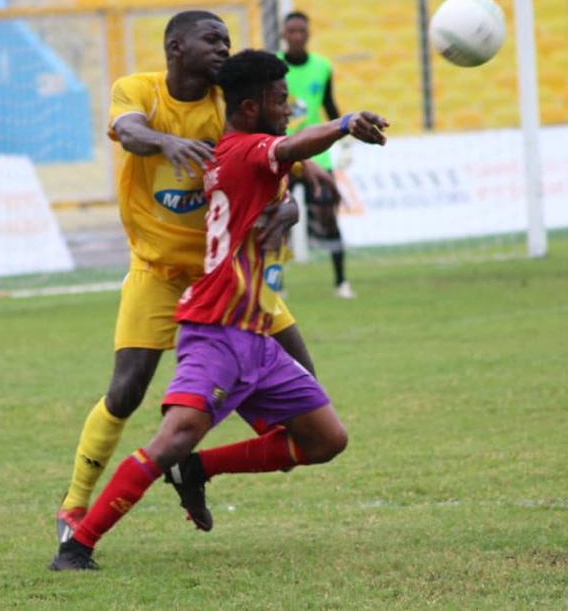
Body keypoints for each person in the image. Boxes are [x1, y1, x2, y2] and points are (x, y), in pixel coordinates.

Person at [49, 49, 389, 571]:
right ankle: (78, 543)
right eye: (281, 101)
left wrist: (295, 198)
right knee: (172, 435)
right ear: (251, 108)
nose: (290, 107)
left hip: (255, 328)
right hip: (217, 328)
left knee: (325, 439)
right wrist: (342, 124)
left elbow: (281, 165)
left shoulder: (248, 148)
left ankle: (198, 469)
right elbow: (287, 147)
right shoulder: (244, 149)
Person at [279, 11, 353, 299]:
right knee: (276, 218)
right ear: (284, 34)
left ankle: (341, 282)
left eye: (302, 31)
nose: (297, 35)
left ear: (308, 34)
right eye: (292, 30)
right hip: (282, 151)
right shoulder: (273, 65)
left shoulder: (322, 66)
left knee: (327, 217)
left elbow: (329, 106)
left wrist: (345, 137)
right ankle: (277, 284)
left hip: (316, 154)